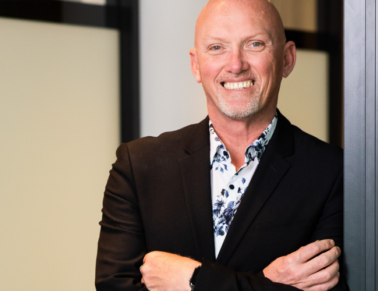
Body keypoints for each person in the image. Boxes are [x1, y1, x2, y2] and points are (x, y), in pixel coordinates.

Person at [95, 0, 346, 290]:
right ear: (196, 65)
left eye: (254, 44)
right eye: (217, 47)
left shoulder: (333, 173)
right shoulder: (138, 167)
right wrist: (267, 283)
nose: (236, 64)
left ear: (287, 59)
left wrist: (192, 280)